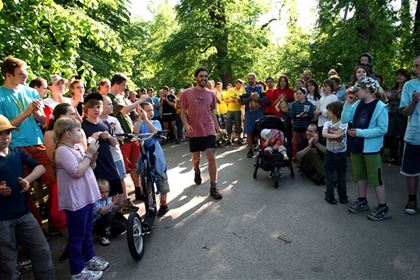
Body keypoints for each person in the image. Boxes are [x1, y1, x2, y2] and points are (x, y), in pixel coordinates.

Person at [0, 115, 55, 280]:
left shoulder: (17, 152)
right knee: (7, 262)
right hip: (2, 219)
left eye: (8, 132)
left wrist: (27, 180)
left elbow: (40, 168)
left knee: (42, 250)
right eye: (1, 133)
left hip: (24, 213)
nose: (5, 137)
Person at [53, 117, 109, 279]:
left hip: (86, 196)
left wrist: (92, 157)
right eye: (78, 130)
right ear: (68, 134)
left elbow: (90, 167)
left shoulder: (77, 147)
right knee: (77, 236)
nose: (81, 132)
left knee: (87, 231)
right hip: (76, 200)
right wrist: (89, 154)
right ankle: (77, 271)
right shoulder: (62, 151)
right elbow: (76, 172)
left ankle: (89, 258)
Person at [342, 77, 390, 221]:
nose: (356, 92)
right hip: (356, 146)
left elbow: (382, 129)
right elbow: (344, 119)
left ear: (367, 90)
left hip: (371, 149)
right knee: (360, 176)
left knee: (376, 179)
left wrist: (360, 133)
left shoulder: (381, 107)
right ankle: (362, 200)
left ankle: (383, 207)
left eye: (359, 89)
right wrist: (347, 103)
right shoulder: (356, 103)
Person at [180, 67, 223, 200]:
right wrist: (186, 125)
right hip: (194, 130)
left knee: (211, 156)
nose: (203, 78)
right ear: (196, 78)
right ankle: (196, 170)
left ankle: (213, 187)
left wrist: (218, 128)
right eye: (201, 76)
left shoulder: (211, 94)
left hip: (208, 129)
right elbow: (182, 112)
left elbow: (212, 112)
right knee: (196, 159)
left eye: (205, 76)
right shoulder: (186, 93)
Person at [100, 96, 138, 212]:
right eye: (109, 104)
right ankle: (111, 208)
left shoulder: (114, 120)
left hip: (116, 155)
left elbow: (121, 137)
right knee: (108, 182)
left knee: (121, 178)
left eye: (112, 104)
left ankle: (124, 202)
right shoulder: (97, 121)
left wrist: (113, 134)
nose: (112, 106)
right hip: (105, 158)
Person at [108, 74, 143, 200]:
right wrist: (140, 101)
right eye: (123, 85)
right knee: (122, 170)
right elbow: (125, 110)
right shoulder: (110, 98)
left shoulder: (121, 97)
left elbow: (130, 112)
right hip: (122, 139)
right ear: (116, 84)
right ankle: (123, 200)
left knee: (134, 166)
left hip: (131, 136)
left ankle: (138, 189)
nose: (124, 87)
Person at [134, 102, 171, 216]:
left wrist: (146, 119)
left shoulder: (155, 122)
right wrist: (140, 118)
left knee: (161, 176)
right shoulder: (138, 122)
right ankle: (150, 204)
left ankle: (164, 204)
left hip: (156, 153)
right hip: (144, 154)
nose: (150, 112)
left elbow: (155, 131)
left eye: (151, 110)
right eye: (147, 110)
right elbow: (135, 132)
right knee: (146, 179)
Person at [82, 94, 123, 196]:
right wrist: (92, 138)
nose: (96, 110)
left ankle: (118, 210)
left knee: (116, 195)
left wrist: (109, 136)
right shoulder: (82, 127)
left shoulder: (105, 123)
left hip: (110, 163)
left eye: (98, 107)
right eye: (92, 107)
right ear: (87, 109)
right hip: (96, 167)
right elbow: (82, 148)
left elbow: (114, 143)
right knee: (101, 198)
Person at [399, 56, 420, 215]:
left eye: (418, 66)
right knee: (411, 170)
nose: (414, 69)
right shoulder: (409, 85)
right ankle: (412, 199)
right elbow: (404, 112)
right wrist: (414, 102)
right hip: (414, 135)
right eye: (414, 66)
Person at [322, 101, 348, 204]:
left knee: (341, 176)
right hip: (329, 153)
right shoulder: (327, 123)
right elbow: (324, 134)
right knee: (329, 175)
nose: (327, 112)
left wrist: (333, 135)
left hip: (341, 153)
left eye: (329, 110)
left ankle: (343, 196)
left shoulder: (344, 123)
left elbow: (339, 135)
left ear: (336, 112)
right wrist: (336, 136)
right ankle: (330, 195)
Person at [384, 69, 410, 164]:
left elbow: (402, 98)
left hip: (402, 114)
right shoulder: (393, 88)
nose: (399, 77)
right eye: (397, 75)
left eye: (401, 75)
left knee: (403, 136)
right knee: (391, 135)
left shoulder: (408, 87)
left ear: (406, 77)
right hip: (391, 113)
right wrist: (394, 97)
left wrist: (393, 97)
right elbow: (387, 96)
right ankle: (393, 157)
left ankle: (403, 158)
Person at [241, 72, 268, 158]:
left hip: (259, 112)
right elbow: (242, 101)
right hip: (249, 113)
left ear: (255, 79)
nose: (250, 80)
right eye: (248, 79)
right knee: (249, 132)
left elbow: (265, 99)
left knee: (261, 131)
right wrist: (250, 98)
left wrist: (258, 99)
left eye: (252, 78)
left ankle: (262, 149)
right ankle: (250, 150)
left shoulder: (260, 88)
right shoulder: (245, 88)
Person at [93, 179, 126, 245]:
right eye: (102, 192)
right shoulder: (95, 201)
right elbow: (102, 211)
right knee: (109, 214)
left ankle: (105, 234)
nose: (105, 194)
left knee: (123, 226)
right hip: (97, 223)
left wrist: (120, 206)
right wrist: (113, 202)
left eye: (106, 192)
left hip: (107, 223)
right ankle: (104, 236)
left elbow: (113, 209)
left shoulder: (108, 199)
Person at [290, 87, 315, 158]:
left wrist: (306, 115)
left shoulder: (309, 104)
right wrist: (297, 116)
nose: (298, 95)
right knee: (295, 143)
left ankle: (305, 158)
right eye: (297, 93)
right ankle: (296, 157)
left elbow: (311, 116)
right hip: (296, 127)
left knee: (306, 142)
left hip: (306, 127)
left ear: (305, 94)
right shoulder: (294, 104)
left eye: (300, 93)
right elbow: (291, 115)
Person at [224, 79, 244, 145]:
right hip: (229, 110)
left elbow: (243, 102)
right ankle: (229, 139)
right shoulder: (230, 90)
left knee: (238, 125)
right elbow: (225, 99)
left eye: (240, 85)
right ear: (235, 84)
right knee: (228, 125)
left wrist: (239, 100)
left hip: (238, 110)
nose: (239, 86)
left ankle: (239, 139)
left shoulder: (242, 91)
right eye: (237, 84)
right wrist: (231, 100)